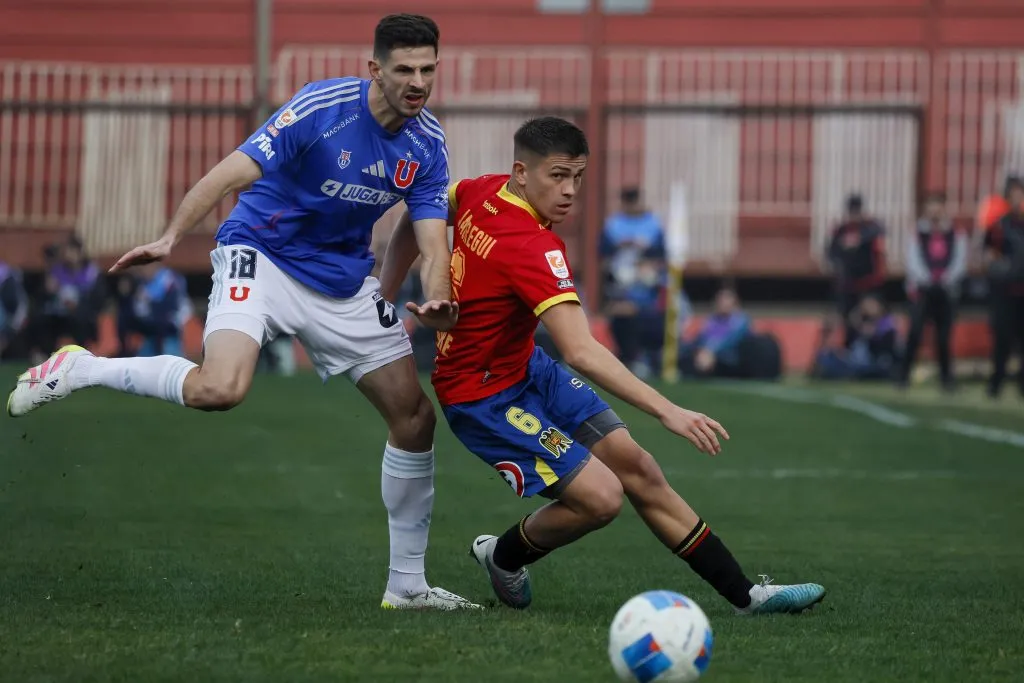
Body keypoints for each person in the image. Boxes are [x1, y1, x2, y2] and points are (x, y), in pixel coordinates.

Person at [7, 14, 479, 611]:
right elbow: (230, 172)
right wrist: (170, 236)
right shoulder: (321, 108)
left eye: (428, 69)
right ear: (375, 70)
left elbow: (433, 243)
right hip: (262, 255)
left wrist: (436, 296)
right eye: (405, 69)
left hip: (342, 282)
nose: (418, 82)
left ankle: (407, 588)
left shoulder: (428, 143)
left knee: (415, 419)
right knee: (219, 389)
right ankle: (80, 369)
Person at [380, 117, 825, 615]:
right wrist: (667, 411)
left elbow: (420, 214)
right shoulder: (534, 246)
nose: (570, 191)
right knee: (602, 499)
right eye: (558, 176)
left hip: (529, 369)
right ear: (521, 173)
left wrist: (390, 290)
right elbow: (582, 351)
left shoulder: (481, 189)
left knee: (639, 468)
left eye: (578, 177)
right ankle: (502, 557)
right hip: (480, 396)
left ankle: (746, 596)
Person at [900, 191, 967, 390]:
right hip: (922, 290)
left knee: (944, 337)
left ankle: (947, 379)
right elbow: (912, 261)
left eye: (937, 206)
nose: (934, 211)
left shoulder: (955, 233)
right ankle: (903, 376)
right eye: (931, 206)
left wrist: (945, 279)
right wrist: (927, 279)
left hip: (946, 290)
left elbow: (959, 261)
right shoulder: (917, 233)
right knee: (914, 334)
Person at [982, 175, 1024, 398]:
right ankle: (996, 383)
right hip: (1006, 291)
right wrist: (1001, 268)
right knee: (1003, 339)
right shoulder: (999, 225)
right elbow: (988, 254)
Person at [825, 193, 886, 345]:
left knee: (870, 322)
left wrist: (859, 239)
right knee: (849, 323)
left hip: (868, 284)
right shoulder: (841, 230)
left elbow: (880, 230)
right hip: (848, 285)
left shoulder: (870, 227)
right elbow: (831, 253)